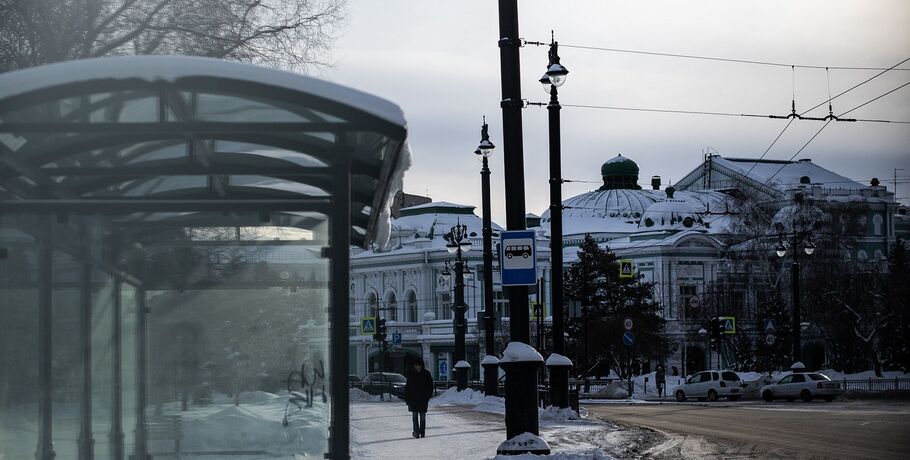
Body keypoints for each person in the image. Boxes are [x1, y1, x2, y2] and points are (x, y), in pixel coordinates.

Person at [404, 360, 434, 438]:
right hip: (413, 399)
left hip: (423, 399)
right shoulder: (411, 374)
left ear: (421, 365)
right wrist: (407, 398)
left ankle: (422, 431)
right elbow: (407, 387)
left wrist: (427, 396)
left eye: (419, 365)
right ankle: (416, 432)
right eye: (416, 365)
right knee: (414, 416)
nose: (417, 367)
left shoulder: (426, 374)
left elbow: (430, 386)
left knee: (422, 416)